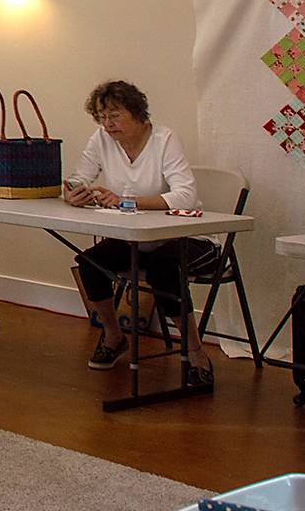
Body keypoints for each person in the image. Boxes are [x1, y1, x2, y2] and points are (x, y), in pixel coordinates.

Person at [64, 80, 217, 384]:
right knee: (90, 262)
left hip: (188, 238)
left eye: (115, 116)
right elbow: (77, 177)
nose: (108, 125)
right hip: (137, 239)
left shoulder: (164, 139)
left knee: (164, 269)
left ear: (137, 113)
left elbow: (184, 197)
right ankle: (113, 336)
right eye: (102, 117)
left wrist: (125, 201)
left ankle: (196, 351)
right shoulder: (101, 139)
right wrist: (73, 193)